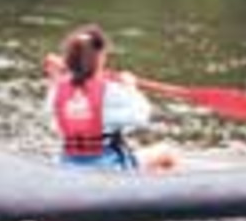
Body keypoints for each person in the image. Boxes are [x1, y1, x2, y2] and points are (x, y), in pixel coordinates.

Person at [44, 25, 176, 171]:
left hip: (67, 164)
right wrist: (131, 87)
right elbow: (142, 116)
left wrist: (56, 79)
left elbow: (54, 123)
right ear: (100, 58)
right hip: (109, 168)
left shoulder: (57, 90)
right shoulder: (112, 91)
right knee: (166, 152)